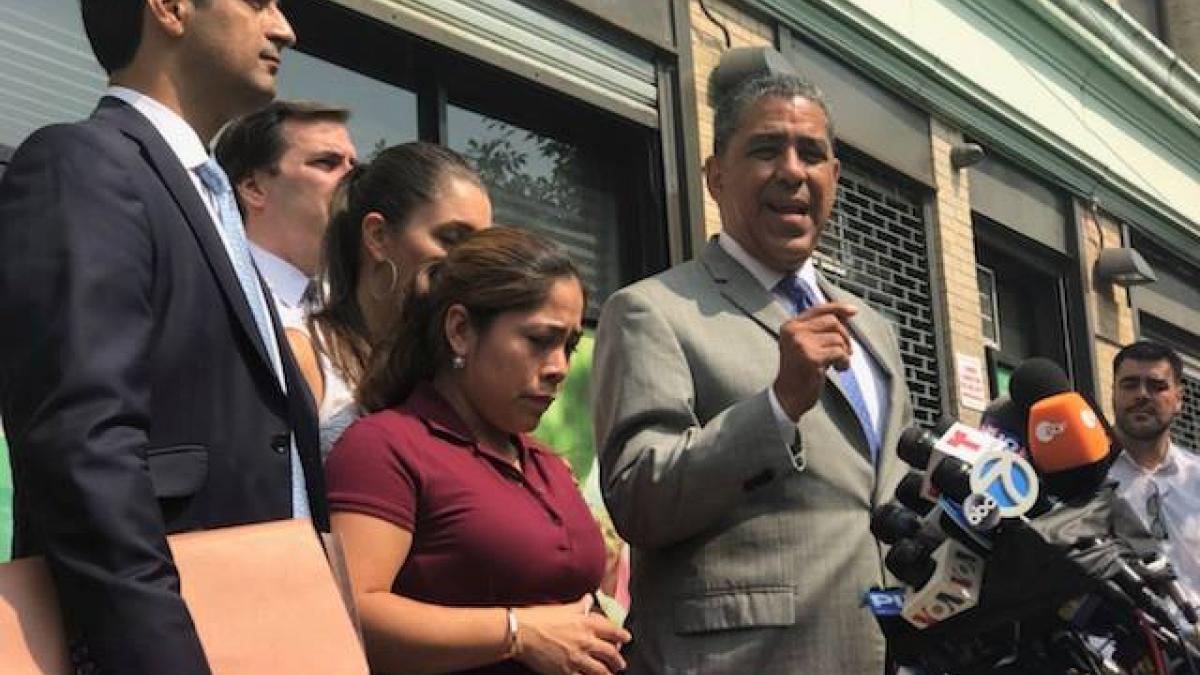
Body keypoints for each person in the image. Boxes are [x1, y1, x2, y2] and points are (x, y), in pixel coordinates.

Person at [0, 2, 327, 673]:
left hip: (281, 634)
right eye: (259, 1)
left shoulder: (214, 205)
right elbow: (82, 448)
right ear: (172, 8)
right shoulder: (82, 165)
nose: (285, 28)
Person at [591, 48, 914, 674]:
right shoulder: (652, 310)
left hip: (879, 652)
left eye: (811, 153)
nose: (792, 172)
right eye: (766, 150)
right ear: (715, 178)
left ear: (835, 178)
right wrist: (776, 408)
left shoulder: (872, 327)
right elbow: (638, 502)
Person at [325, 227, 631, 674]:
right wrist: (516, 634)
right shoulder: (387, 446)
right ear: (461, 330)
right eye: (539, 340)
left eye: (569, 346)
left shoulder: (546, 463)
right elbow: (353, 612)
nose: (559, 368)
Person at [310, 141, 491, 455]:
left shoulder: (460, 369)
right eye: (451, 239)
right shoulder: (308, 355)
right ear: (378, 235)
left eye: (481, 248)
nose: (471, 262)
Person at [215, 100, 357, 411]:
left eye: (353, 166)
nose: (351, 179)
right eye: (326, 163)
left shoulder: (358, 303)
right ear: (254, 187)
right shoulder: (216, 299)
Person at [1107, 340, 1200, 607]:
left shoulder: (1196, 478)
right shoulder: (1085, 479)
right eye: (1130, 385)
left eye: (1157, 386)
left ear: (1179, 399)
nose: (1142, 395)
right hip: (1115, 644)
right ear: (1113, 393)